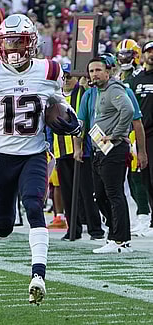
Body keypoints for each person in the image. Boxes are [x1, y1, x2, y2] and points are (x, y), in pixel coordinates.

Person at [0, 15, 81, 304]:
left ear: (32, 42)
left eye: (18, 41)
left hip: (33, 155)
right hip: (0, 158)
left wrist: (74, 123)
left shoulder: (49, 71)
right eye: (7, 41)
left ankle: (38, 275)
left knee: (35, 208)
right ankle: (10, 230)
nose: (12, 47)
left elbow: (60, 106)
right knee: (4, 226)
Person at [74, 57, 134, 253]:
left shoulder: (114, 89)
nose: (94, 74)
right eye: (91, 71)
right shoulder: (95, 93)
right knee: (100, 195)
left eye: (98, 70)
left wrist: (117, 135)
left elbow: (128, 110)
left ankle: (121, 240)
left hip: (113, 149)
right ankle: (115, 233)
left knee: (114, 193)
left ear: (107, 72)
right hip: (100, 149)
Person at [47, 63, 105, 241]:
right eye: (63, 76)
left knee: (86, 191)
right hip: (61, 150)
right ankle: (74, 229)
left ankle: (95, 229)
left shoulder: (84, 92)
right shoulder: (53, 98)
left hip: (83, 151)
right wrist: (50, 146)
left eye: (69, 76)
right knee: (67, 193)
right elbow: (48, 125)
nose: (66, 80)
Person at [127, 41, 153, 237]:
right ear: (143, 55)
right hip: (140, 134)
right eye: (149, 52)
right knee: (142, 178)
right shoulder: (135, 79)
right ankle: (146, 217)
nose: (151, 55)